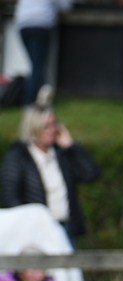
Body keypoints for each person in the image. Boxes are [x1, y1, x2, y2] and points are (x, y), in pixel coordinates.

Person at [0, 92, 101, 246]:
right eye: (47, 126)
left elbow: (91, 173)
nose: (52, 130)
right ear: (34, 128)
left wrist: (71, 146)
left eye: (54, 124)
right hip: (35, 233)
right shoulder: (18, 156)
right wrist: (27, 225)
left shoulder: (61, 154)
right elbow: (10, 197)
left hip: (65, 229)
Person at [14, 0, 72, 108]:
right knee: (37, 66)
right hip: (40, 24)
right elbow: (65, 6)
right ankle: (30, 101)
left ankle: (42, 97)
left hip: (23, 24)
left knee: (35, 65)